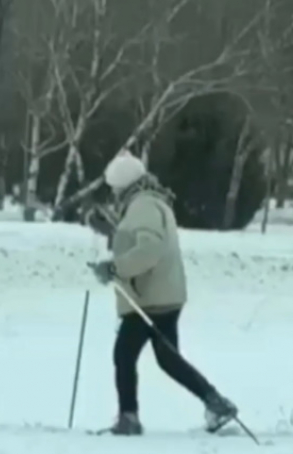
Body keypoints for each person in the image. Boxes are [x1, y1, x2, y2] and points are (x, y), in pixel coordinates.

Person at [88, 151, 238, 436]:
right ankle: (216, 403)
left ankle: (128, 419)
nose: (114, 193)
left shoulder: (143, 206)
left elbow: (149, 249)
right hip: (162, 294)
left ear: (123, 184)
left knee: (124, 355)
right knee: (168, 359)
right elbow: (137, 238)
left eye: (115, 188)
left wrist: (114, 268)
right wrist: (112, 231)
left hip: (149, 297)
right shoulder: (150, 202)